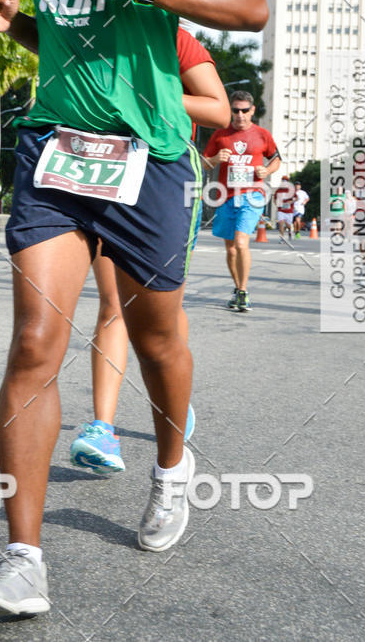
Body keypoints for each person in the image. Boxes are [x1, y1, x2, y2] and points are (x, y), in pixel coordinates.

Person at [0, 0, 267, 617]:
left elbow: (250, 5)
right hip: (56, 151)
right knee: (34, 341)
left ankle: (172, 466)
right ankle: (23, 560)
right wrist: (13, 25)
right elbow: (67, 37)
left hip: (148, 157)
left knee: (157, 338)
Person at [70, 25, 230, 473]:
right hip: (101, 170)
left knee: (163, 312)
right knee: (112, 306)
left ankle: (173, 389)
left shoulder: (175, 39)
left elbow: (215, 110)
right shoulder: (85, 32)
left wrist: (147, 93)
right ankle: (102, 429)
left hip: (162, 178)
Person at [203, 90, 280, 312]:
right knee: (231, 250)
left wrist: (266, 170)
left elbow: (276, 159)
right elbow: (204, 163)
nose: (240, 115)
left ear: (252, 110)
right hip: (226, 196)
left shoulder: (262, 134)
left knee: (240, 243)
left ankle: (244, 292)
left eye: (244, 110)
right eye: (236, 110)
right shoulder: (220, 135)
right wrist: (215, 159)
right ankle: (238, 289)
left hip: (252, 195)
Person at [274, 176, 294, 242]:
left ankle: (290, 231)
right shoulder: (278, 190)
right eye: (283, 181)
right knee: (281, 223)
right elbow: (274, 199)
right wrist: (277, 204)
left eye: (285, 181)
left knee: (288, 225)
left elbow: (296, 198)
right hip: (281, 210)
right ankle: (282, 238)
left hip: (289, 211)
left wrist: (290, 202)